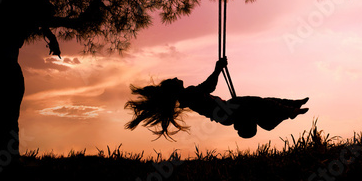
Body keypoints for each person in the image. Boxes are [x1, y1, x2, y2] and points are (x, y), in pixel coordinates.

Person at [125, 58, 309, 139]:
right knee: (256, 102)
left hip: (225, 113)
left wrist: (218, 68)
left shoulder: (186, 96)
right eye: (172, 80)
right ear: (173, 88)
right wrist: (218, 68)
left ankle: (289, 108)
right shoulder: (187, 94)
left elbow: (206, 88)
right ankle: (289, 109)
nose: (175, 78)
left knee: (258, 105)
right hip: (225, 112)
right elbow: (208, 87)